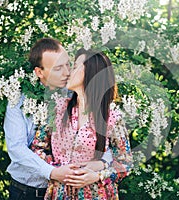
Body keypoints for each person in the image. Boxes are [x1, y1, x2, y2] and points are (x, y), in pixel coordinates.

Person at [4, 38, 112, 200]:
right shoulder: (19, 100)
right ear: (39, 72)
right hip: (28, 190)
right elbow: (16, 148)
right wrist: (53, 172)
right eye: (58, 68)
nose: (67, 72)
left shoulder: (74, 95)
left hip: (65, 192)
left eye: (68, 65)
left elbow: (109, 144)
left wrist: (100, 166)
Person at [44, 49, 133, 199]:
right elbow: (38, 148)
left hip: (95, 194)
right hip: (59, 193)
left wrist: (98, 175)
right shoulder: (57, 109)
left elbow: (125, 163)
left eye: (74, 67)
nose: (68, 72)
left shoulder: (111, 117)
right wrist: (56, 170)